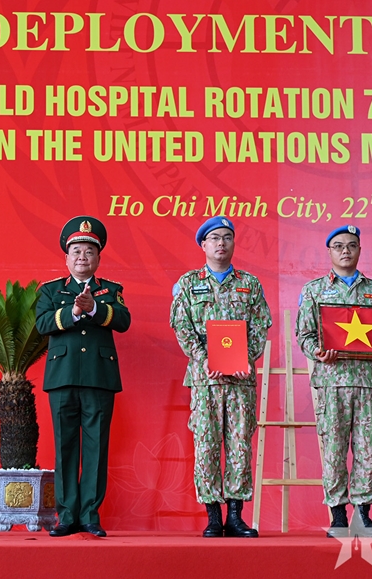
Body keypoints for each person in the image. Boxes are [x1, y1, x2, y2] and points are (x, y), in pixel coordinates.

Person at [170, 216, 272, 538]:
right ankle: (213, 516)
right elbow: (182, 328)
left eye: (227, 237)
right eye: (214, 238)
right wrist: (204, 359)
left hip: (240, 380)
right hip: (206, 381)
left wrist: (246, 358)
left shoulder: (250, 284)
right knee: (207, 446)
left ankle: (236, 517)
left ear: (233, 243)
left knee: (240, 446)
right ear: (204, 244)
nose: (221, 243)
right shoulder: (189, 283)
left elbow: (260, 327)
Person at [295, 225, 372, 537]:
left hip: (367, 383)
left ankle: (363, 515)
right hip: (332, 382)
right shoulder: (314, 290)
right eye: (338, 246)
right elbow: (304, 334)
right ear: (329, 252)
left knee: (367, 450)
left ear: (360, 250)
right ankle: (338, 515)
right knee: (334, 450)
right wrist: (317, 352)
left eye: (351, 245)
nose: (345, 251)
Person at [36, 216, 131, 537]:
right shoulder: (51, 290)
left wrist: (93, 309)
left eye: (89, 252)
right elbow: (42, 324)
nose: (82, 257)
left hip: (99, 377)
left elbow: (123, 321)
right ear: (66, 257)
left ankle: (90, 514)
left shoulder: (111, 290)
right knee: (64, 447)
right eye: (76, 251)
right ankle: (66, 516)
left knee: (96, 447)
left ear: (98, 258)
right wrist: (74, 312)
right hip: (62, 377)